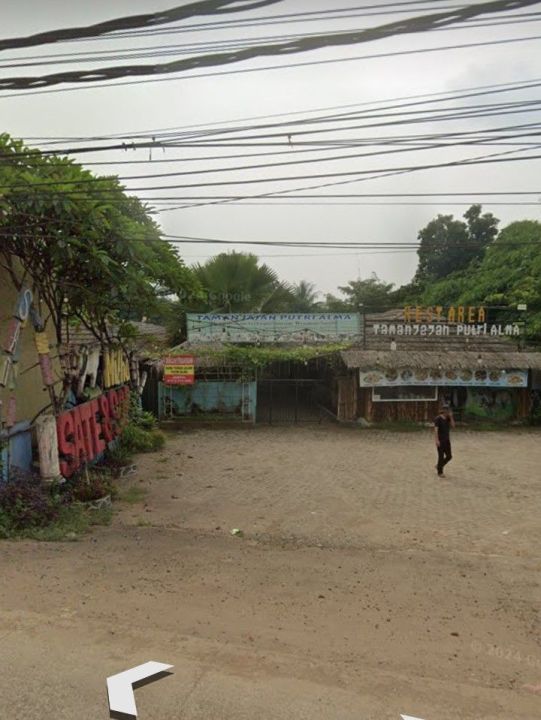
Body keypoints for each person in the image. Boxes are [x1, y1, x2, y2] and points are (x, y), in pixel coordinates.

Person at [434, 403, 455, 478]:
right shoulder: (438, 418)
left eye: (448, 410)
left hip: (447, 440)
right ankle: (440, 472)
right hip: (440, 440)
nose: (447, 411)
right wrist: (437, 440)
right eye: (446, 410)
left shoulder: (448, 418)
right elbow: (436, 430)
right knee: (441, 456)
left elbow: (453, 426)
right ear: (443, 410)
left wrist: (451, 417)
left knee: (449, 456)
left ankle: (439, 465)